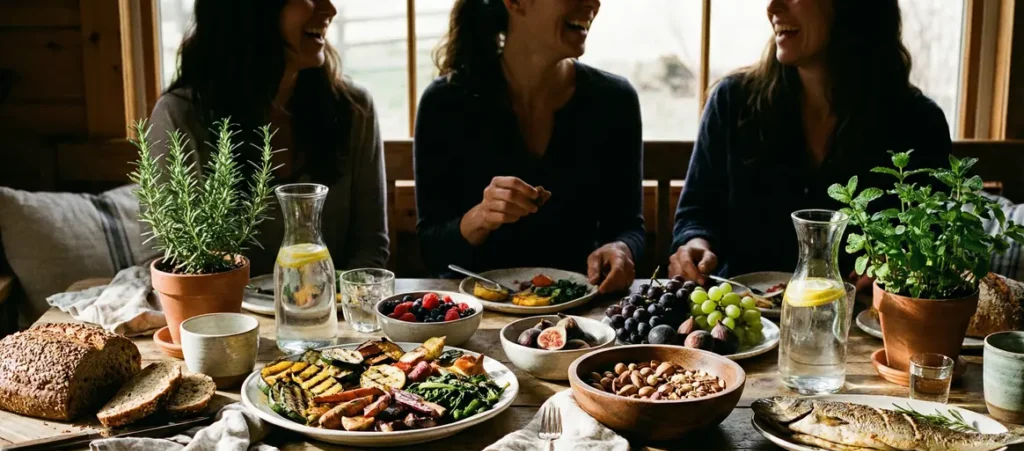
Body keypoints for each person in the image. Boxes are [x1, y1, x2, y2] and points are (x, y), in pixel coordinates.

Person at [669, 0, 952, 284]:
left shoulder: (919, 123)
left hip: (864, 322)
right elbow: (696, 214)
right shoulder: (732, 102)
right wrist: (695, 244)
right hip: (745, 320)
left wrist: (902, 262)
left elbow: (934, 238)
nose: (772, 6)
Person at [414, 0, 643, 294]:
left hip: (586, 311)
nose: (594, 3)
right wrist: (481, 217)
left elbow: (629, 227)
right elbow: (431, 250)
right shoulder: (444, 104)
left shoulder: (615, 100)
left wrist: (621, 248)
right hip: (478, 315)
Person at [147, 0, 388, 275]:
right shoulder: (180, 117)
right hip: (224, 314)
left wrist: (333, 308)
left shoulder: (354, 109)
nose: (330, 10)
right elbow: (170, 263)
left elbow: (370, 247)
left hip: (330, 312)